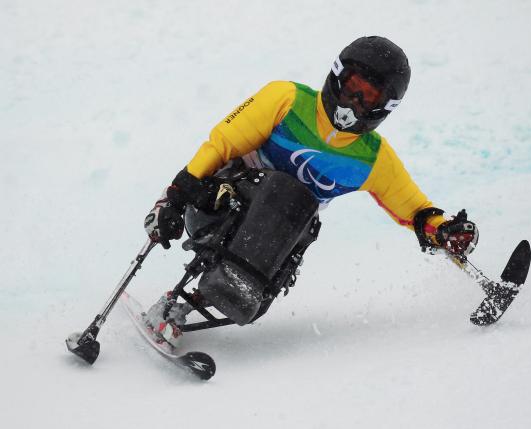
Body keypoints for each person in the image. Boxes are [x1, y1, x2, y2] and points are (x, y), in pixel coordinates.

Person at [143, 36, 479, 346]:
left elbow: (414, 210)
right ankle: (175, 298)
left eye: (368, 97)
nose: (354, 102)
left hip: (271, 239)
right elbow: (221, 144)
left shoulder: (372, 158)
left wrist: (444, 230)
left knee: (293, 230)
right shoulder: (286, 99)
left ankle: (200, 301)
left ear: (384, 107)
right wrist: (175, 196)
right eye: (351, 88)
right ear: (336, 77)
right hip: (215, 204)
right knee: (284, 190)